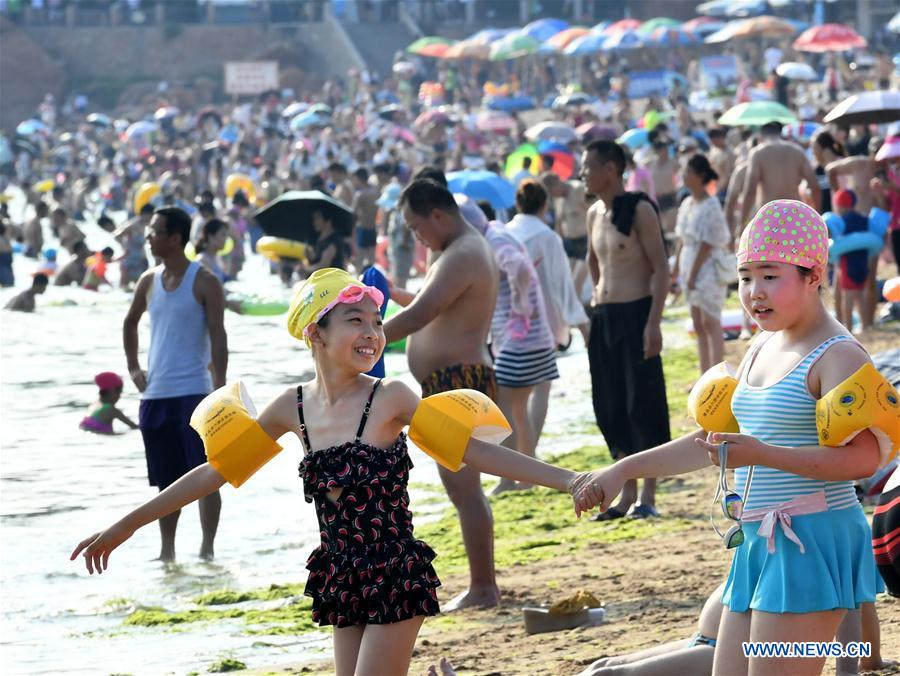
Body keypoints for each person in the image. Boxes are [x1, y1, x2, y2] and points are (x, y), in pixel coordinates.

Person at [71, 267, 586, 676]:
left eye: (377, 322)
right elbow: (213, 472)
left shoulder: (391, 398)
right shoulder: (289, 407)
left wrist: (570, 479)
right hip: (340, 575)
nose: (373, 333)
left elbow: (475, 452)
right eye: (356, 321)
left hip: (394, 571)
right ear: (316, 332)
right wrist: (127, 524)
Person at [573, 200, 885, 676]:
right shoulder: (762, 343)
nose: (753, 292)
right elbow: (714, 441)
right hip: (760, 542)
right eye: (744, 277)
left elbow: (863, 460)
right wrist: (624, 468)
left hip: (811, 545)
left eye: (770, 275)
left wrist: (763, 454)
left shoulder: (838, 354)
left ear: (812, 275)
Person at [383, 178, 502, 611]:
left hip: (459, 379)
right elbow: (432, 303)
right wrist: (391, 296)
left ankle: (484, 589)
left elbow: (422, 314)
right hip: (450, 379)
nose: (417, 237)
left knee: (465, 488)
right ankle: (482, 585)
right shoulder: (455, 252)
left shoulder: (465, 252)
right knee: (462, 488)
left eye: (416, 228)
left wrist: (365, 342)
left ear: (438, 215)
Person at [123, 207, 228, 562]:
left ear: (175, 238)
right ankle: (166, 552)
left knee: (206, 475)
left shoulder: (205, 281)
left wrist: (221, 390)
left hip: (195, 394)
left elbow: (218, 336)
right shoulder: (148, 280)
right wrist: (134, 368)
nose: (149, 237)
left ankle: (207, 550)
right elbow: (129, 322)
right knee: (165, 481)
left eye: (155, 231)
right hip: (156, 396)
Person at [582, 140, 670, 520]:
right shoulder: (593, 213)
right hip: (605, 317)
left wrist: (653, 323)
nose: (584, 174)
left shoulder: (639, 209)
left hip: (637, 316)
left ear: (612, 168)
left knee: (643, 404)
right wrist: (598, 303)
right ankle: (625, 492)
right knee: (611, 404)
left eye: (590, 166)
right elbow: (592, 260)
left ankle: (647, 495)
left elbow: (661, 269)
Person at [459, 196, 558, 495]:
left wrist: (520, 306)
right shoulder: (499, 233)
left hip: (521, 339)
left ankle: (508, 480)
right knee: (517, 408)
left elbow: (520, 270)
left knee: (501, 410)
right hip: (533, 338)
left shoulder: (494, 240)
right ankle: (525, 477)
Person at [672, 155, 731, 374]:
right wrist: (677, 269)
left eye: (687, 172)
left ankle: (717, 374)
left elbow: (708, 243)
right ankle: (704, 374)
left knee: (711, 321)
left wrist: (693, 273)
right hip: (690, 262)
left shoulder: (711, 204)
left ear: (698, 175)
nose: (683, 176)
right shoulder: (687, 203)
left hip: (706, 267)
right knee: (697, 322)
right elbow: (681, 239)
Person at [740, 122, 820, 227]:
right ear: (781, 134)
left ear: (760, 137)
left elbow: (750, 189)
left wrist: (742, 224)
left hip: (768, 216)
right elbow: (815, 186)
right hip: (795, 214)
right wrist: (818, 216)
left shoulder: (757, 153)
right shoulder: (797, 151)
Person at [543, 173, 590, 304]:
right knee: (566, 284)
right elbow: (559, 223)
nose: (553, 196)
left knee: (576, 284)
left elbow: (595, 212)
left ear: (558, 183)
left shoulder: (578, 189)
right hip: (570, 244)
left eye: (552, 192)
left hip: (586, 242)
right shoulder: (558, 199)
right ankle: (576, 314)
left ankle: (581, 319)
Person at [832, 189, 871, 334]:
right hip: (862, 261)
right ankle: (866, 326)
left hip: (847, 262)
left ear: (841, 206)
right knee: (860, 295)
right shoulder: (863, 220)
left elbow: (837, 240)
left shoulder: (842, 222)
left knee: (847, 295)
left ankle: (848, 328)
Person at [114, 204, 152, 289]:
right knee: (124, 286)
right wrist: (125, 247)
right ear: (144, 214)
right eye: (149, 215)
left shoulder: (149, 226)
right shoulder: (133, 224)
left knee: (140, 286)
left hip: (140, 258)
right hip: (129, 258)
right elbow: (117, 235)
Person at [351, 167, 379, 271]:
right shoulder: (376, 192)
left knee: (359, 260)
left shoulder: (360, 195)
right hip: (372, 227)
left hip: (362, 228)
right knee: (371, 259)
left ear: (359, 179)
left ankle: (359, 282)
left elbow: (353, 213)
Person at [0, 222, 13, 287]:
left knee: (7, 280)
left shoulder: (4, 238)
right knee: (8, 280)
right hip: (5, 258)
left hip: (4, 258)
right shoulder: (5, 238)